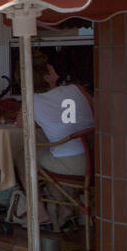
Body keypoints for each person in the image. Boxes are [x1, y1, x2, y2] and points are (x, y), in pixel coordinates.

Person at [16, 52, 95, 228]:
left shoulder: (33, 100)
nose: (55, 70)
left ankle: (41, 212)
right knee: (47, 153)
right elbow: (93, 113)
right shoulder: (77, 89)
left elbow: (21, 124)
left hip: (72, 165)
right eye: (51, 69)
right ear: (46, 77)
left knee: (24, 157)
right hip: (96, 159)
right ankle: (65, 209)